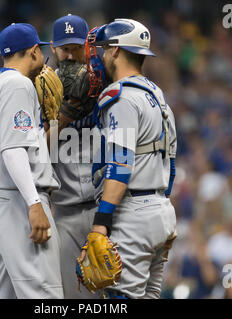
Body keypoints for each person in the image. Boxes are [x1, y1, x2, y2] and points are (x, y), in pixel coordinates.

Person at [82, 19, 178, 299]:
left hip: (134, 215)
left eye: (103, 48)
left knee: (120, 300)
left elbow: (120, 167)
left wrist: (101, 222)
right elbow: (171, 165)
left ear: (115, 50)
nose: (100, 56)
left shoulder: (121, 97)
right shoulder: (156, 95)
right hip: (161, 210)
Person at [0, 23, 63, 299]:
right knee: (44, 296)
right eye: (41, 52)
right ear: (34, 51)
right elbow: (13, 150)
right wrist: (34, 203)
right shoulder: (18, 84)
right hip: (16, 202)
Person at [49, 14, 101, 299]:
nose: (69, 55)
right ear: (53, 49)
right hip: (65, 213)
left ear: (87, 47)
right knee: (72, 296)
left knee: (114, 294)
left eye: (76, 47)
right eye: (64, 48)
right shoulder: (40, 91)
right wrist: (64, 115)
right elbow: (36, 150)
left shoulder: (107, 85)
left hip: (104, 209)